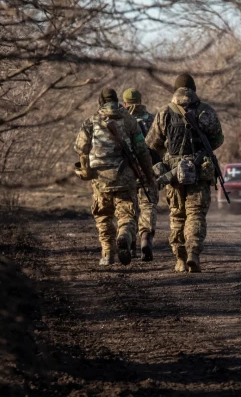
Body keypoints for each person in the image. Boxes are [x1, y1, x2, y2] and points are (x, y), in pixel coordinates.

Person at [146, 74, 224, 273]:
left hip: (173, 174)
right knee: (196, 214)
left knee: (178, 216)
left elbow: (152, 143)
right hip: (200, 171)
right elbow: (217, 140)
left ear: (175, 89)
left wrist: (169, 156)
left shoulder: (164, 112)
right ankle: (193, 254)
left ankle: (180, 259)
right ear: (194, 89)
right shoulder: (206, 111)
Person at [74, 88, 157, 266]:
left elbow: (81, 148)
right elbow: (142, 150)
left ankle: (108, 254)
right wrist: (148, 175)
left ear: (100, 102)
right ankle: (125, 236)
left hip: (100, 179)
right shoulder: (129, 120)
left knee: (103, 215)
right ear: (117, 100)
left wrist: (86, 170)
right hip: (125, 177)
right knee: (127, 214)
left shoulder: (91, 121)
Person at [122, 88, 160, 261]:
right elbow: (160, 146)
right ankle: (145, 237)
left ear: (125, 103)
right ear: (141, 100)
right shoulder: (153, 119)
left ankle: (128, 241)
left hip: (126, 171)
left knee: (128, 208)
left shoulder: (121, 121)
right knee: (148, 205)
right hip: (148, 169)